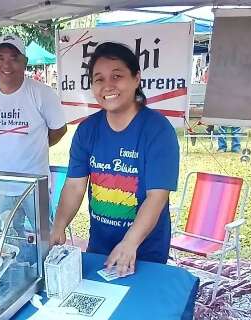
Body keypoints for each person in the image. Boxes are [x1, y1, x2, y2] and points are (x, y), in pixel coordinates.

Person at [50, 42, 179, 275]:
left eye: (117, 76)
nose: (107, 85)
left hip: (144, 250)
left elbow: (157, 197)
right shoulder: (87, 130)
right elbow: (74, 185)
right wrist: (58, 226)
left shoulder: (158, 130)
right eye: (99, 79)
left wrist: (130, 243)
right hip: (100, 246)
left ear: (136, 78)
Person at [0, 34, 67, 235]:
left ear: (25, 62)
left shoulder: (42, 93)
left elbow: (60, 129)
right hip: (2, 184)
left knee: (44, 236)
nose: (7, 64)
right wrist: (9, 140)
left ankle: (45, 266)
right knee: (9, 237)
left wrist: (37, 144)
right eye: (0, 58)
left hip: (35, 184)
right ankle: (18, 267)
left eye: (14, 58)